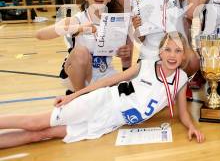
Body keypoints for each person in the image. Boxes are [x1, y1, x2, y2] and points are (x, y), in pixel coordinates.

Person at [0, 32, 204, 148]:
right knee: (34, 123)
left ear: (183, 55)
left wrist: (192, 127)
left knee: (40, 135)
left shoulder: (182, 79)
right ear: (160, 51)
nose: (172, 55)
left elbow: (184, 114)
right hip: (101, 102)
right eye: (168, 49)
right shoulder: (146, 65)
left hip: (109, 122)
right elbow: (109, 81)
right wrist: (74, 96)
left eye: (178, 50)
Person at [36, 0, 130, 92]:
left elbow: (118, 53)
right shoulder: (77, 19)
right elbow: (40, 34)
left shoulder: (115, 21)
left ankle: (91, 95)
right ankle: (79, 95)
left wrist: (121, 53)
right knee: (81, 52)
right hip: (77, 74)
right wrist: (79, 28)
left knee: (129, 95)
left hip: (104, 73)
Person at [132, 0, 199, 75]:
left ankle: (182, 83)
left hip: (174, 51)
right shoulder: (139, 0)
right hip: (150, 53)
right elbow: (141, 39)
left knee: (193, 60)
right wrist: (137, 28)